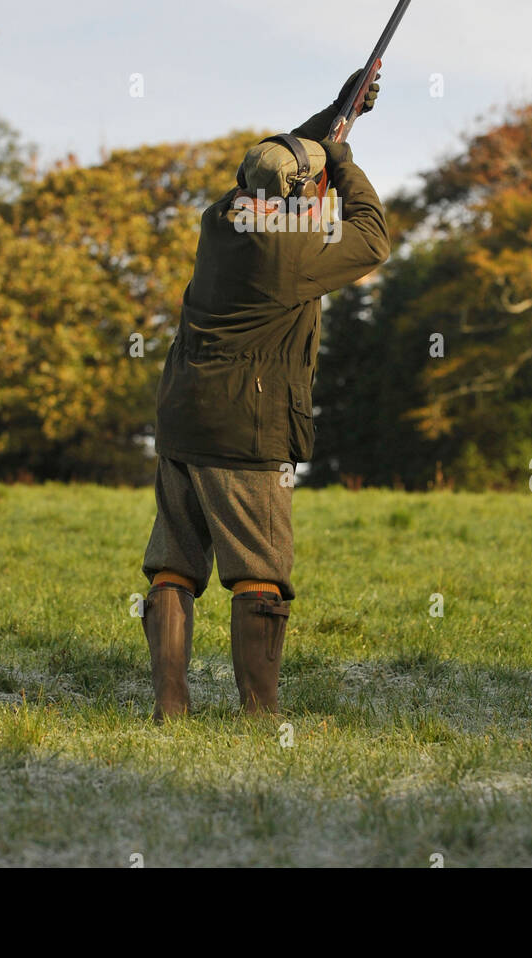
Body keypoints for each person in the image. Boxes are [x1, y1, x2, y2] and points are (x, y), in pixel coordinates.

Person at [140, 70, 390, 719]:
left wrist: (340, 111)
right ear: (303, 193)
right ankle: (259, 716)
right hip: (246, 430)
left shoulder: (219, 222)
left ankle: (170, 707)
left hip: (181, 418)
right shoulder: (292, 253)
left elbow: (267, 170)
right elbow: (372, 235)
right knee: (259, 571)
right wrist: (341, 157)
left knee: (175, 565)